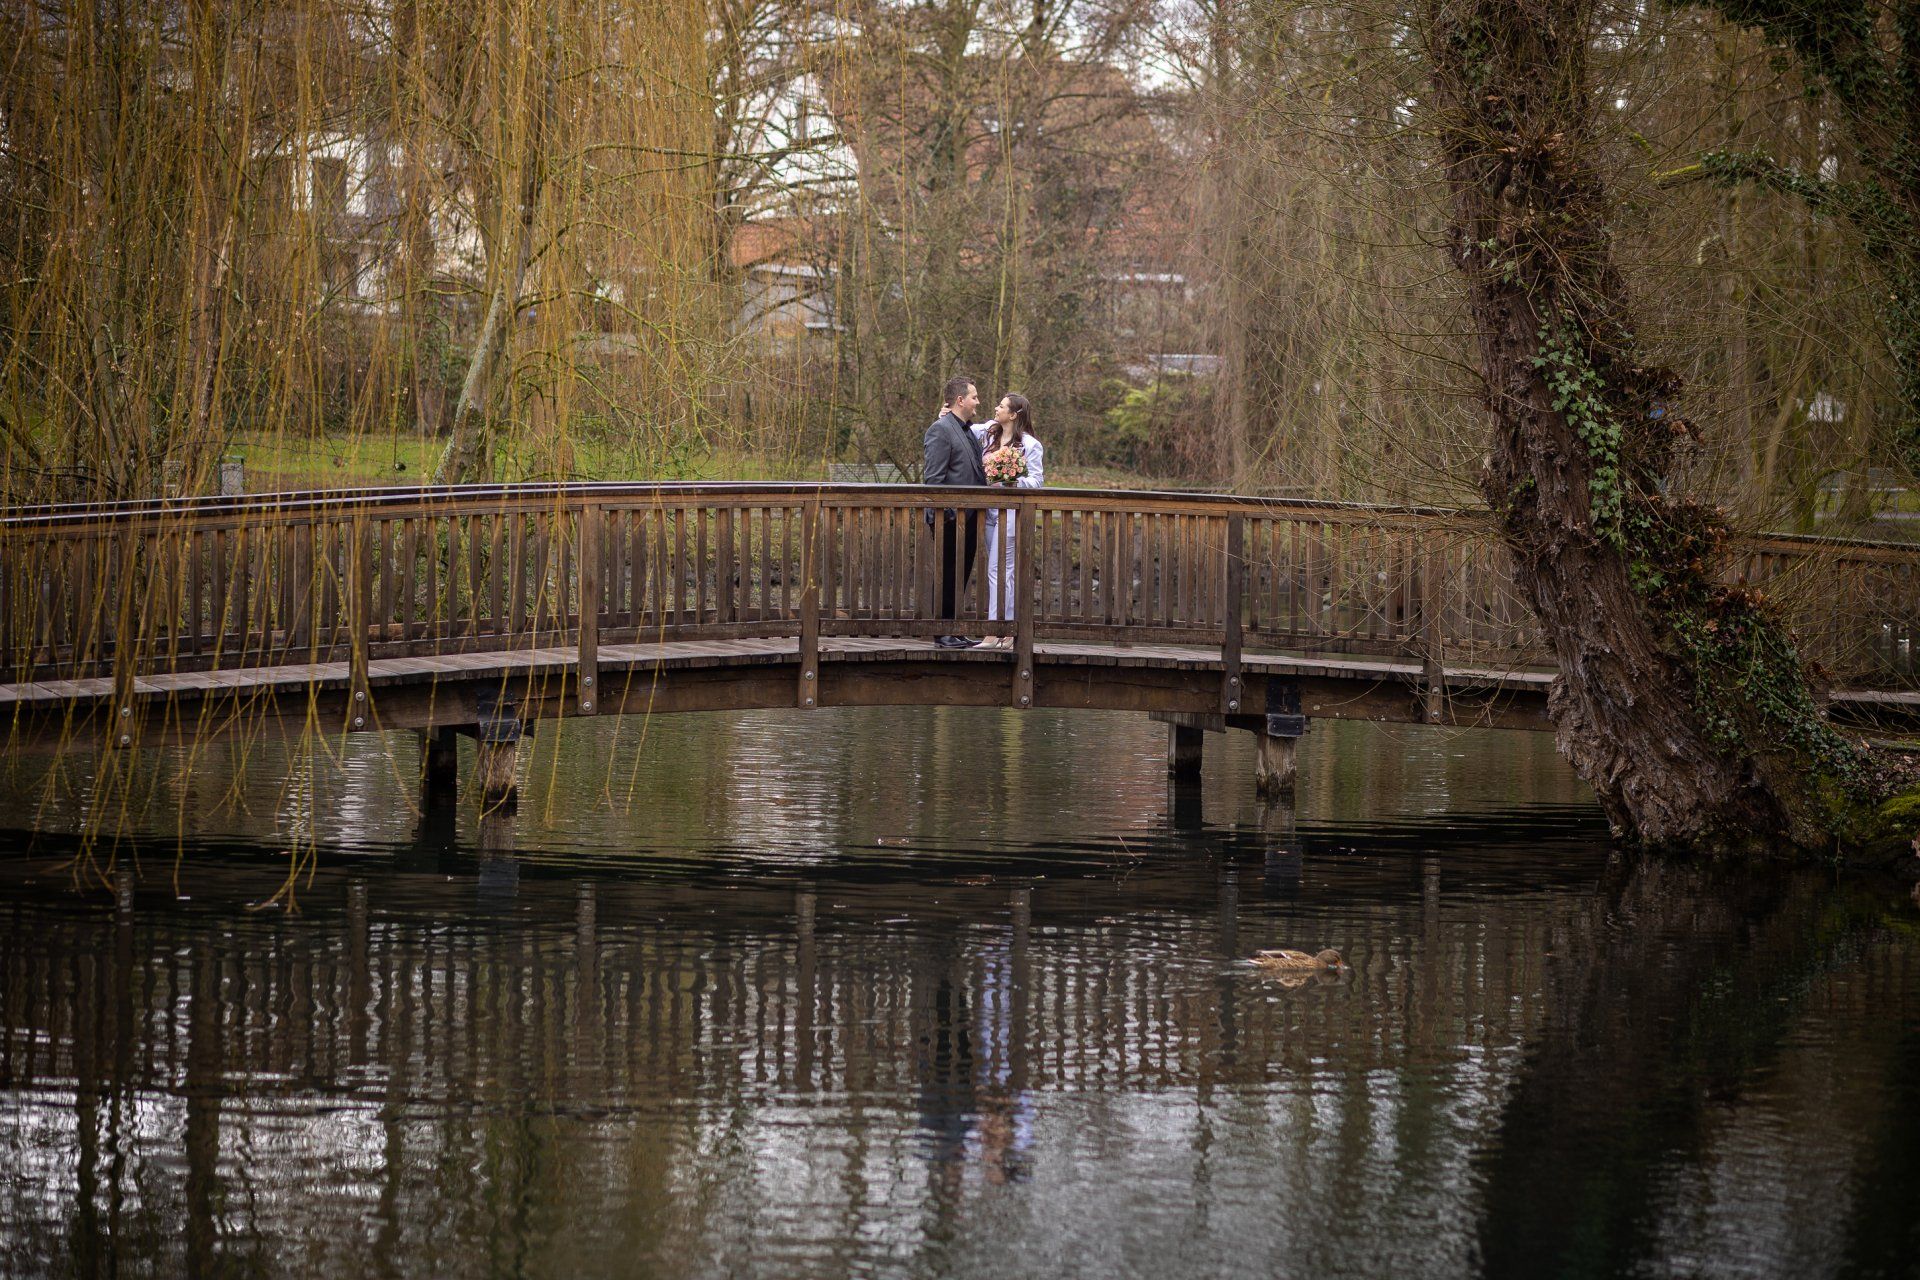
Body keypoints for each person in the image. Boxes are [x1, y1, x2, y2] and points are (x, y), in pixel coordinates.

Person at [971, 394, 1044, 647]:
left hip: (1012, 516)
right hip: (991, 514)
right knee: (1004, 573)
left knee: (997, 571)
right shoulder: (988, 433)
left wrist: (1012, 479)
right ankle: (1009, 633)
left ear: (1013, 414)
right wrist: (944, 415)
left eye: (1001, 406)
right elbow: (965, 426)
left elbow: (1037, 481)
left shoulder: (1029, 445)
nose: (996, 408)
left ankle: (994, 632)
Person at [923, 375, 988, 648]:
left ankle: (954, 629)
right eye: (974, 396)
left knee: (959, 574)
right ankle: (943, 632)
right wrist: (948, 514)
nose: (978, 401)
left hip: (969, 517)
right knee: (948, 573)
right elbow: (933, 479)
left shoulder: (966, 430)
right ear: (960, 400)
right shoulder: (940, 429)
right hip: (949, 518)